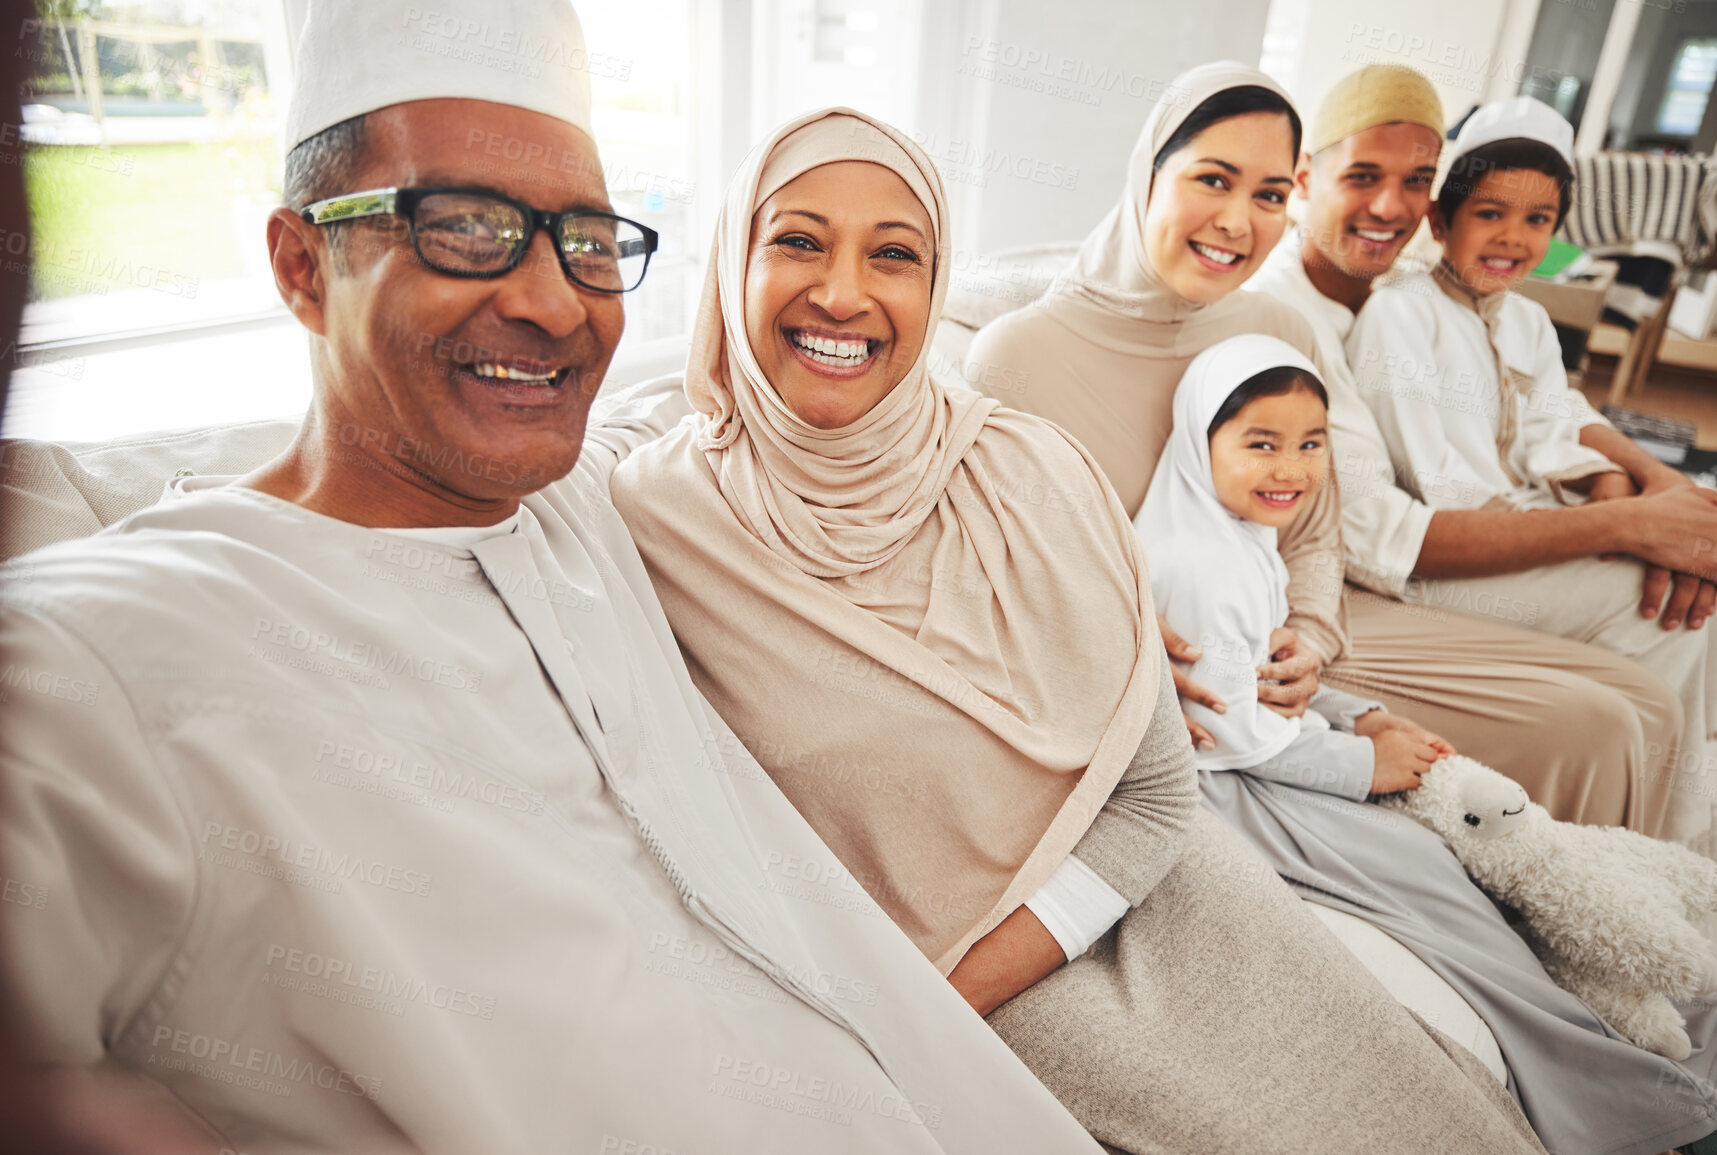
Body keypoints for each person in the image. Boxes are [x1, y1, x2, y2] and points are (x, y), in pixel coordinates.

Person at [0, 4, 1109, 1152]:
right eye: (466, 228)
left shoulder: (585, 506)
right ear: (300, 266)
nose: (551, 302)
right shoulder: (104, 652)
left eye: (586, 241)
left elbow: (768, 432)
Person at [609, 104, 1544, 1155]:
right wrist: (923, 1014)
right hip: (947, 982)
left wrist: (951, 998)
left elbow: (1152, 796)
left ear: (933, 283)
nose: (843, 293)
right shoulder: (645, 520)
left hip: (1150, 895)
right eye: (796, 241)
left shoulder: (1028, 469)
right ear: (731, 263)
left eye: (894, 255)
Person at [965, 61, 1688, 840]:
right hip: (1170, 689)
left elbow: (1316, 533)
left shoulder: (1279, 331)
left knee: (1640, 699)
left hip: (1293, 647)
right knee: (1592, 724)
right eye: (1212, 180)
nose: (1238, 222)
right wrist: (1131, 664)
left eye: (1269, 195)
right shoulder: (1020, 356)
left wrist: (1308, 638)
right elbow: (1010, 591)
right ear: (1147, 172)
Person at [1141, 330, 1717, 1155]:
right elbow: (1235, 737)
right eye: (1260, 445)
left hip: (1274, 751)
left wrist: (1355, 709)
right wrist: (1362, 761)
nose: (1290, 470)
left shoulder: (1240, 534)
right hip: (1237, 789)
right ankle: (1600, 1088)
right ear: (1199, 439)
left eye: (1310, 445)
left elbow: (1269, 680)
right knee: (1434, 886)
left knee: (1474, 857)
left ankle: (1631, 1031)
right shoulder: (1200, 564)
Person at [1246, 65, 1712, 840]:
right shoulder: (1293, 319)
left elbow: (1553, 405)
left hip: (1480, 527)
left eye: (1416, 181)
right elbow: (1382, 533)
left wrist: (1640, 484)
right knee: (1664, 603)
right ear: (1304, 180)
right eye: (1362, 176)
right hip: (1369, 578)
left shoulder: (1415, 273)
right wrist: (1631, 524)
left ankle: (1666, 804)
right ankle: (1656, 832)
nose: (1390, 205)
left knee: (1700, 543)